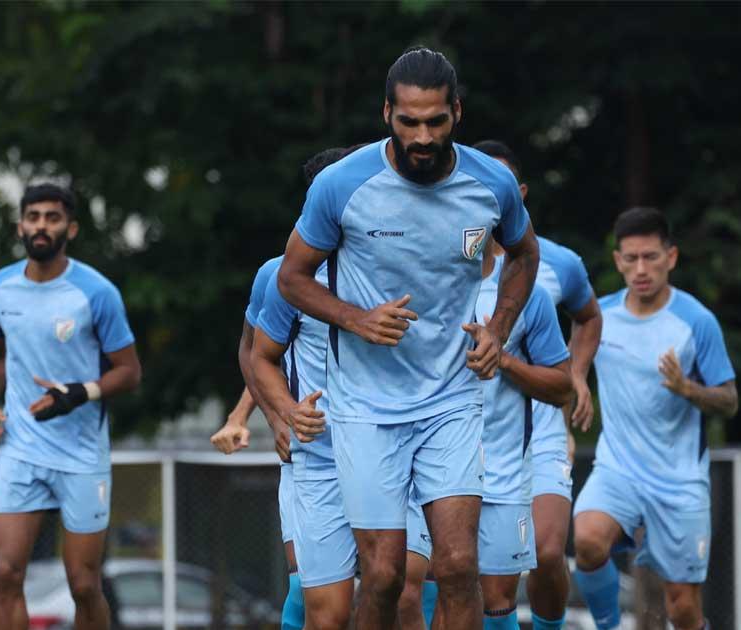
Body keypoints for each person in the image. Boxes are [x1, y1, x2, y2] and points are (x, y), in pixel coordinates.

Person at [276, 47, 539, 630]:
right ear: (386, 114)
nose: (423, 137)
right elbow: (291, 278)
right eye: (409, 121)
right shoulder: (341, 185)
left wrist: (498, 329)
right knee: (384, 574)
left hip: (451, 398)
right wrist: (355, 319)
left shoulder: (490, 182)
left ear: (457, 113)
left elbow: (525, 254)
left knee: (458, 565)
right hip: (365, 406)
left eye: (436, 121)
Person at [0, 183, 141, 630]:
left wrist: (79, 393)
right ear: (20, 226)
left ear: (71, 228)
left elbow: (129, 371)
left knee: (84, 584)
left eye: (52, 218)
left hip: (81, 453)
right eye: (33, 217)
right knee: (6, 573)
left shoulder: (97, 292)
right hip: (20, 448)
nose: (41, 226)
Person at [573, 207, 738, 630]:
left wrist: (689, 389)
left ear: (671, 257)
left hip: (678, 480)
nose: (641, 269)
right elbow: (568, 371)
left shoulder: (696, 322)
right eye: (631, 259)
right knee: (587, 540)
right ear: (618, 261)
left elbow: (729, 400)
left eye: (650, 257)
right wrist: (575, 389)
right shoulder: (597, 316)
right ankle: (610, 626)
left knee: (682, 606)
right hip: (618, 470)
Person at [209, 146, 353, 630]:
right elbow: (257, 352)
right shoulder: (280, 275)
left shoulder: (388, 267)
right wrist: (274, 419)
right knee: (306, 589)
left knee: (406, 585)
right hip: (313, 453)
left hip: (385, 447)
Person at [399, 234, 573, 630]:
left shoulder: (529, 297)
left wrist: (504, 360)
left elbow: (563, 387)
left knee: (495, 602)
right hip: (424, 465)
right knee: (410, 588)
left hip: (500, 471)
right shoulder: (407, 288)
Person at [472, 140, 602, 630]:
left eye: (500, 185)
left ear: (519, 193)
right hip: (468, 433)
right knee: (457, 575)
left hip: (538, 429)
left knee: (547, 553)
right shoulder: (445, 267)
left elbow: (588, 318)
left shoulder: (556, 263)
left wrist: (578, 375)